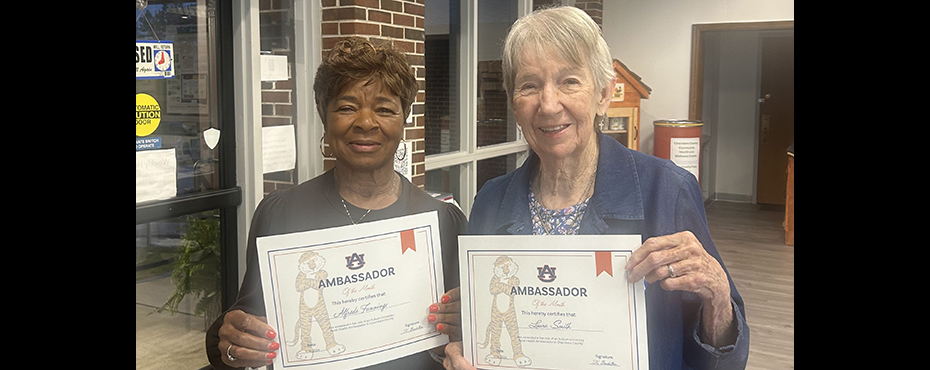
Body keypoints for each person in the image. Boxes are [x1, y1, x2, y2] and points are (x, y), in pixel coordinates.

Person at [443, 6, 749, 370]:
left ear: (604, 94)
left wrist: (717, 296)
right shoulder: (490, 201)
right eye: (529, 85)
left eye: (569, 81)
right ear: (513, 102)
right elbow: (488, 326)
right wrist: (463, 343)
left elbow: (722, 360)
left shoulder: (666, 190)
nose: (548, 104)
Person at [205, 36, 467, 370]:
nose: (366, 122)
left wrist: (465, 327)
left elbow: (464, 345)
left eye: (385, 109)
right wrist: (231, 343)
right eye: (346, 107)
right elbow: (242, 326)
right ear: (323, 117)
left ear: (404, 120)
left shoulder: (442, 221)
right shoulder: (280, 214)